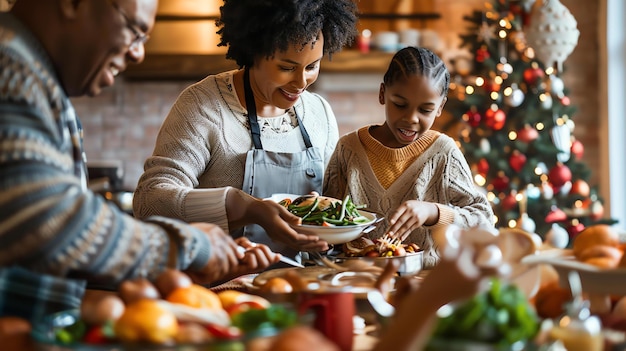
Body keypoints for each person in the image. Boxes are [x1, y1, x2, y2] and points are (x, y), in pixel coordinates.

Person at [0, 0, 305, 323]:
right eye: (134, 32)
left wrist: (177, 269)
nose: (138, 53)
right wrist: (186, 248)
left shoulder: (36, 78)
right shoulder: (12, 70)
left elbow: (50, 250)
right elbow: (51, 220)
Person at [132, 0, 359, 262]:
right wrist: (245, 207)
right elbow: (149, 202)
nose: (300, 83)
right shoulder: (205, 106)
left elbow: (335, 209)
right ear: (254, 52)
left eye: (311, 67)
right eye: (286, 68)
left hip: (303, 285)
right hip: (223, 287)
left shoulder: (319, 113)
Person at [323, 46, 494, 268]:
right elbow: (327, 225)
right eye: (400, 105)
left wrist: (433, 212)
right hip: (359, 282)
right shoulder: (348, 148)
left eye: (425, 110)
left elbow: (484, 221)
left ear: (440, 107)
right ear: (382, 93)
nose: (411, 118)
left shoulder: (444, 153)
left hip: (426, 286)